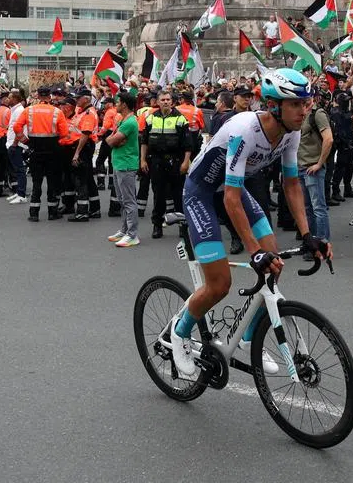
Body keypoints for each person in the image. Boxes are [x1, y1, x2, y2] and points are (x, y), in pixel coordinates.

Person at [166, 69, 331, 377]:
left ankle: (248, 337)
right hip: (202, 193)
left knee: (274, 263)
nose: (304, 110)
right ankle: (180, 332)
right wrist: (254, 250)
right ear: (273, 106)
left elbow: (292, 185)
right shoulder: (245, 129)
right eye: (296, 104)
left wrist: (309, 234)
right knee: (220, 284)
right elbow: (229, 200)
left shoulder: (291, 133)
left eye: (306, 103)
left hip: (233, 188)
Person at [140, 91, 196, 240]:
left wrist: (185, 162)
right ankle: (157, 225)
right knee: (158, 195)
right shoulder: (150, 118)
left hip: (175, 162)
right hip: (157, 161)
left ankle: (182, 227)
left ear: (172, 102)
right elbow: (144, 141)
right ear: (157, 102)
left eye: (168, 99)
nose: (165, 102)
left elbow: (188, 145)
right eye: (163, 99)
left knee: (178, 195)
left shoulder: (180, 119)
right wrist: (143, 160)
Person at [12, 87, 71, 222]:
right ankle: (52, 212)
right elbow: (64, 134)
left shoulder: (29, 110)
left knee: (36, 182)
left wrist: (25, 141)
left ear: (38, 96)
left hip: (35, 149)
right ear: (49, 97)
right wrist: (58, 143)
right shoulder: (57, 112)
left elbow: (16, 127)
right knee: (52, 182)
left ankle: (34, 213)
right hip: (53, 150)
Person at [297, 90, 334, 252]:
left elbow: (329, 138)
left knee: (318, 207)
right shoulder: (299, 114)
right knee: (307, 208)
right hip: (300, 167)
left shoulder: (317, 114)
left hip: (312, 168)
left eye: (306, 96)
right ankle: (311, 243)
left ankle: (323, 244)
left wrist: (319, 163)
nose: (303, 99)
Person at [106, 92, 142, 247]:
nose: (116, 104)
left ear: (125, 104)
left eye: (118, 102)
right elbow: (110, 139)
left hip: (126, 164)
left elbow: (111, 140)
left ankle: (132, 235)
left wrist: (112, 140)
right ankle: (124, 230)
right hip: (119, 163)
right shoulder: (124, 120)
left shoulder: (129, 123)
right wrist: (112, 140)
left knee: (128, 201)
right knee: (122, 200)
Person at [68, 90, 101, 222]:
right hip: (85, 146)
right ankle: (95, 209)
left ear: (86, 99)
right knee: (88, 179)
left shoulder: (88, 113)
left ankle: (82, 212)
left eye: (78, 98)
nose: (76, 100)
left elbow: (85, 134)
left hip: (83, 147)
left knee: (81, 179)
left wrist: (76, 153)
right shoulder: (83, 112)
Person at [328, 92, 353, 201]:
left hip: (350, 141)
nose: (347, 102)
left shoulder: (348, 112)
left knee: (349, 167)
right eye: (345, 100)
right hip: (341, 143)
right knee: (340, 167)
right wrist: (343, 142)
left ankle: (348, 188)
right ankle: (335, 191)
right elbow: (338, 130)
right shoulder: (336, 112)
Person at [2, 90, 28, 204]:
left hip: (16, 144)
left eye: (10, 97)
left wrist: (15, 143)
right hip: (12, 143)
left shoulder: (19, 111)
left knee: (20, 170)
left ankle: (22, 194)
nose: (8, 99)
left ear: (16, 99)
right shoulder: (15, 110)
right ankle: (18, 192)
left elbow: (19, 128)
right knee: (17, 170)